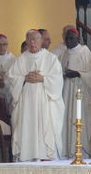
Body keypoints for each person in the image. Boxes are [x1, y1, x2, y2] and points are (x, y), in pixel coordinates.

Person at [9, 29, 65, 161]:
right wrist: (23, 78)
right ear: (26, 42)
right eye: (29, 39)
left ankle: (46, 156)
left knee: (45, 127)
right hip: (26, 103)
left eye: (35, 39)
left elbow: (58, 79)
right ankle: (27, 157)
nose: (32, 42)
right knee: (27, 126)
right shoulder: (21, 59)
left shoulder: (51, 58)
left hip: (45, 101)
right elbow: (12, 78)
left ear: (41, 41)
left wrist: (43, 79)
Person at [60, 29, 91, 158]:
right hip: (66, 92)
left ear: (78, 39)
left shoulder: (85, 52)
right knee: (66, 119)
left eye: (71, 38)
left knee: (79, 118)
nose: (68, 41)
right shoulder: (64, 54)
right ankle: (67, 151)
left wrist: (78, 73)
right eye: (67, 38)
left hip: (80, 92)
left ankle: (81, 152)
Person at [0, 34, 16, 115]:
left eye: (4, 44)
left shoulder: (14, 60)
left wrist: (5, 83)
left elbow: (17, 78)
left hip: (9, 95)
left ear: (7, 45)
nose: (2, 47)